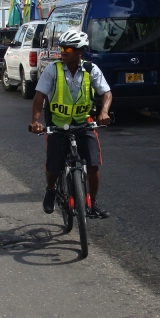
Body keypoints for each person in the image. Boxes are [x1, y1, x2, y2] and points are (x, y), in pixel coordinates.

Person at [31, 28, 112, 218]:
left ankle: (92, 202)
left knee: (92, 164)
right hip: (58, 124)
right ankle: (51, 190)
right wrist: (36, 122)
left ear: (80, 52)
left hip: (84, 124)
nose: (63, 52)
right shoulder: (53, 69)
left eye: (68, 49)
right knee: (54, 166)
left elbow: (106, 93)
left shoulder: (91, 70)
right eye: (62, 49)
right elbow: (39, 96)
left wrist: (104, 112)